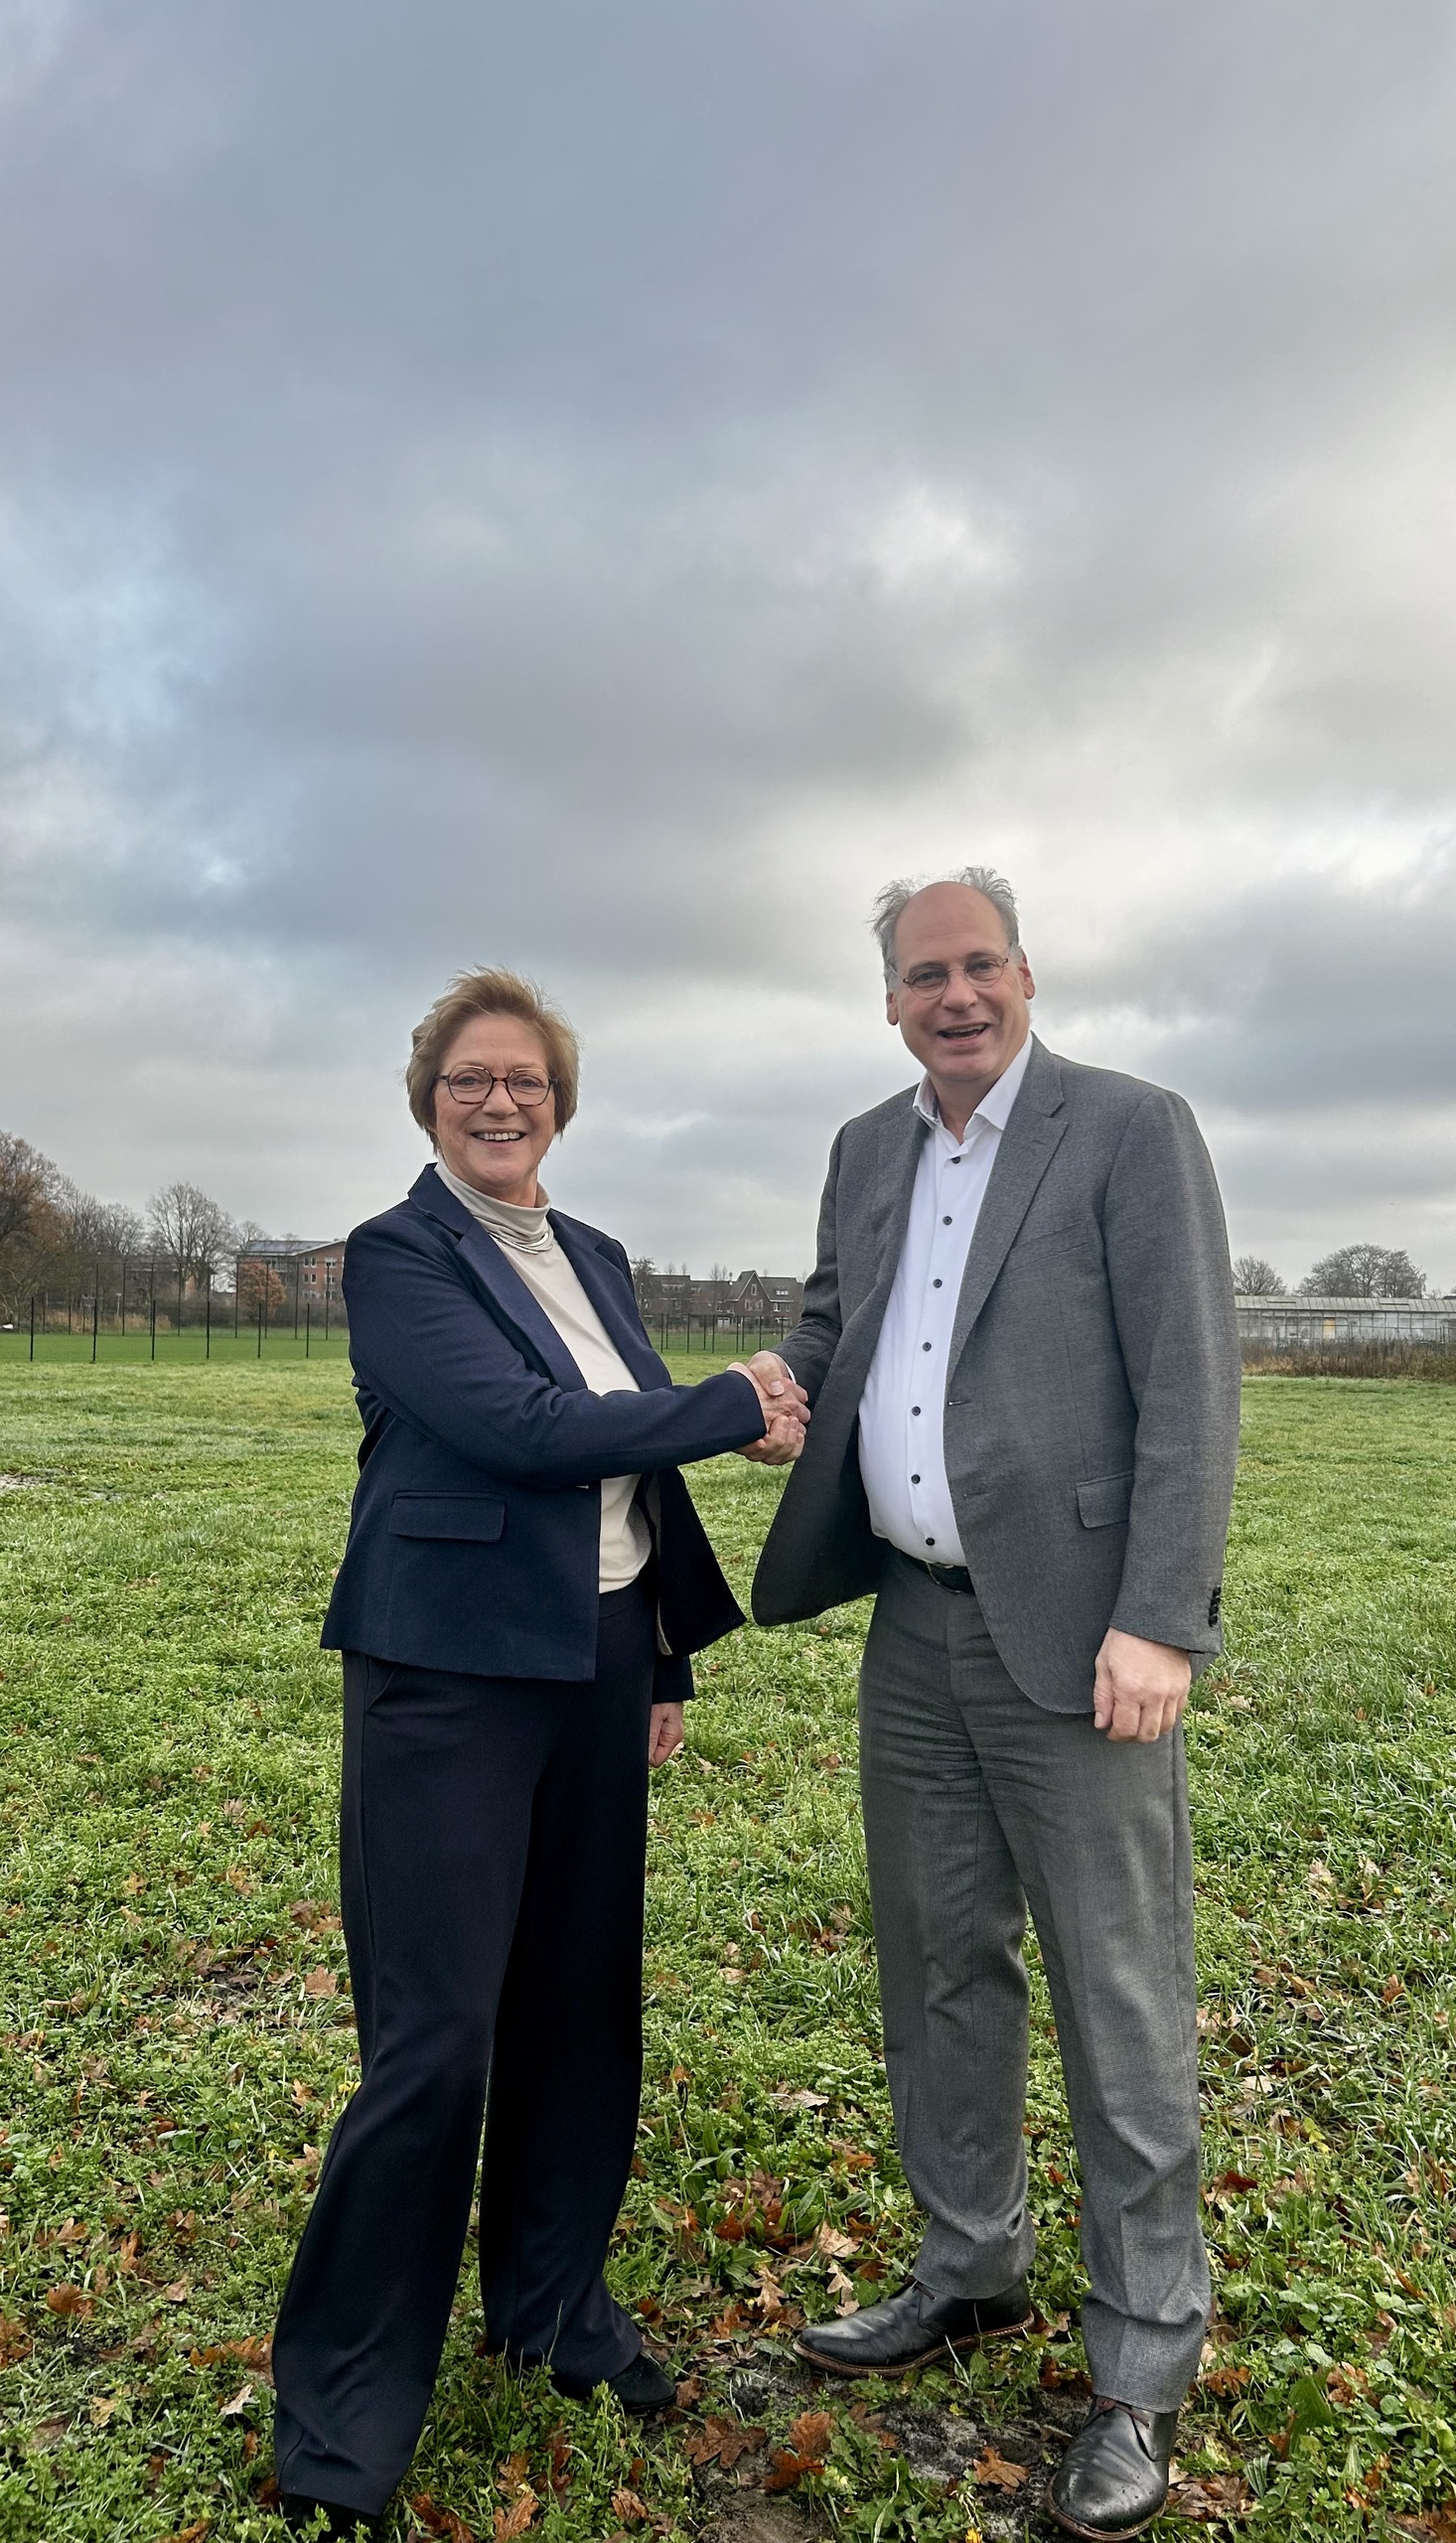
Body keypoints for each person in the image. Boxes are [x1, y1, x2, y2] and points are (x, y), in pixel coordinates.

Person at [270, 969, 806, 2538]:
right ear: (429, 1100)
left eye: (526, 1082)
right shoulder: (397, 1254)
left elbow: (623, 1471)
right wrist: (732, 1400)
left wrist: (659, 1657)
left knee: (580, 2001)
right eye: (469, 1082)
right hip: (446, 1676)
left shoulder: (594, 1252)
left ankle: (552, 2312)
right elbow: (521, 1427)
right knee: (434, 2039)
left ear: (560, 1102)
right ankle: (349, 2410)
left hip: (591, 1658)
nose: (498, 1104)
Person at [744, 873, 1239, 2542]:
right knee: (937, 1958)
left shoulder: (1125, 1130)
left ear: (1025, 976)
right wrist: (779, 1393)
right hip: (914, 1630)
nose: (953, 996)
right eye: (919, 974)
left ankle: (1142, 2361)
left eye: (978, 966)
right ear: (887, 1001)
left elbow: (1190, 1380)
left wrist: (1160, 1618)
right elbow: (839, 1322)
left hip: (1080, 1638)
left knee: (1118, 1995)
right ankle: (970, 2267)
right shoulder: (869, 1149)